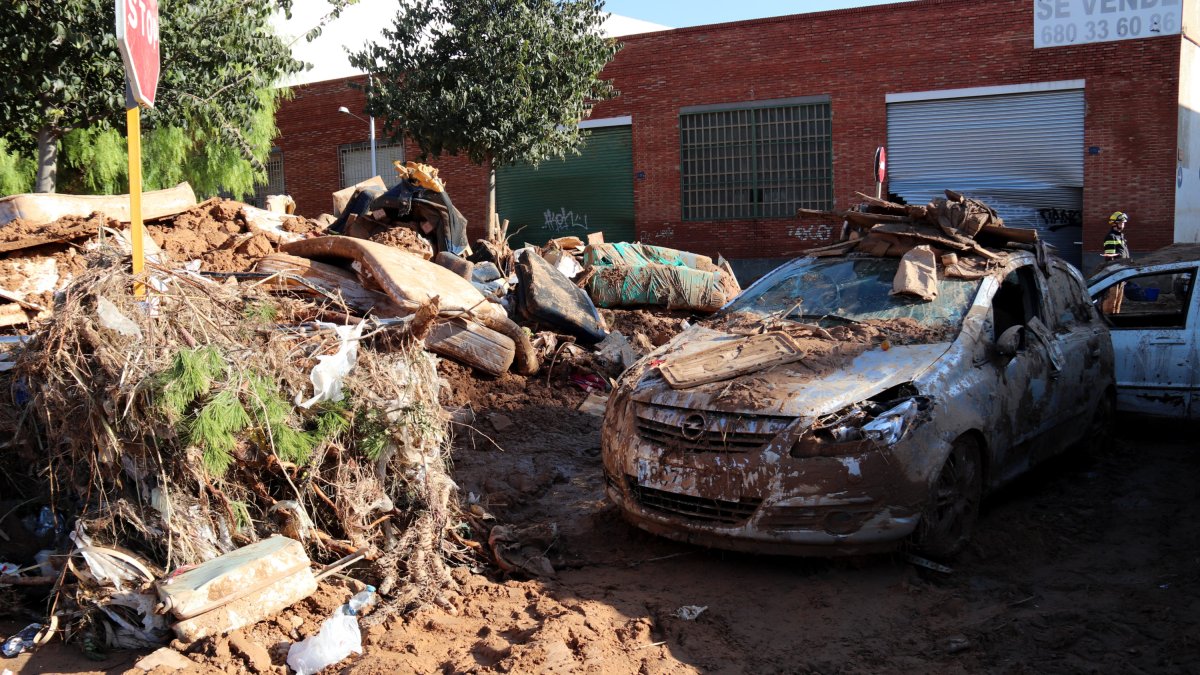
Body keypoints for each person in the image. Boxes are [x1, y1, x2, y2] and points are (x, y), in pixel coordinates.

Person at [1100, 211, 1130, 314]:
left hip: (1121, 273)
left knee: (1118, 302)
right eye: (1121, 222)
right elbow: (1109, 258)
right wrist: (1112, 277)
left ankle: (1116, 322)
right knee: (1110, 302)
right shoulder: (1111, 237)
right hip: (1114, 275)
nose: (1123, 225)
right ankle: (1108, 322)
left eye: (1124, 223)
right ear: (1114, 223)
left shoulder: (1121, 237)